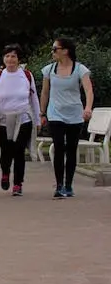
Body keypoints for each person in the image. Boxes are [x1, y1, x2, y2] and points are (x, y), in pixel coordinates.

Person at [39, 37, 94, 198]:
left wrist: (88, 108)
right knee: (58, 147)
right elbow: (45, 92)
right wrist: (42, 113)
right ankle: (59, 185)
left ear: (65, 51)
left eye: (55, 49)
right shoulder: (49, 70)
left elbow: (88, 90)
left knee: (71, 149)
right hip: (55, 113)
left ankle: (69, 184)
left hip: (75, 114)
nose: (52, 52)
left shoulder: (79, 69)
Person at [0, 44, 40, 196]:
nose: (10, 59)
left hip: (23, 117)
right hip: (3, 119)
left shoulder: (26, 75)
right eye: (7, 56)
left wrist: (38, 119)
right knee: (6, 151)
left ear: (18, 59)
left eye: (13, 56)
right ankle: (5, 173)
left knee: (19, 151)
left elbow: (33, 98)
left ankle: (18, 184)